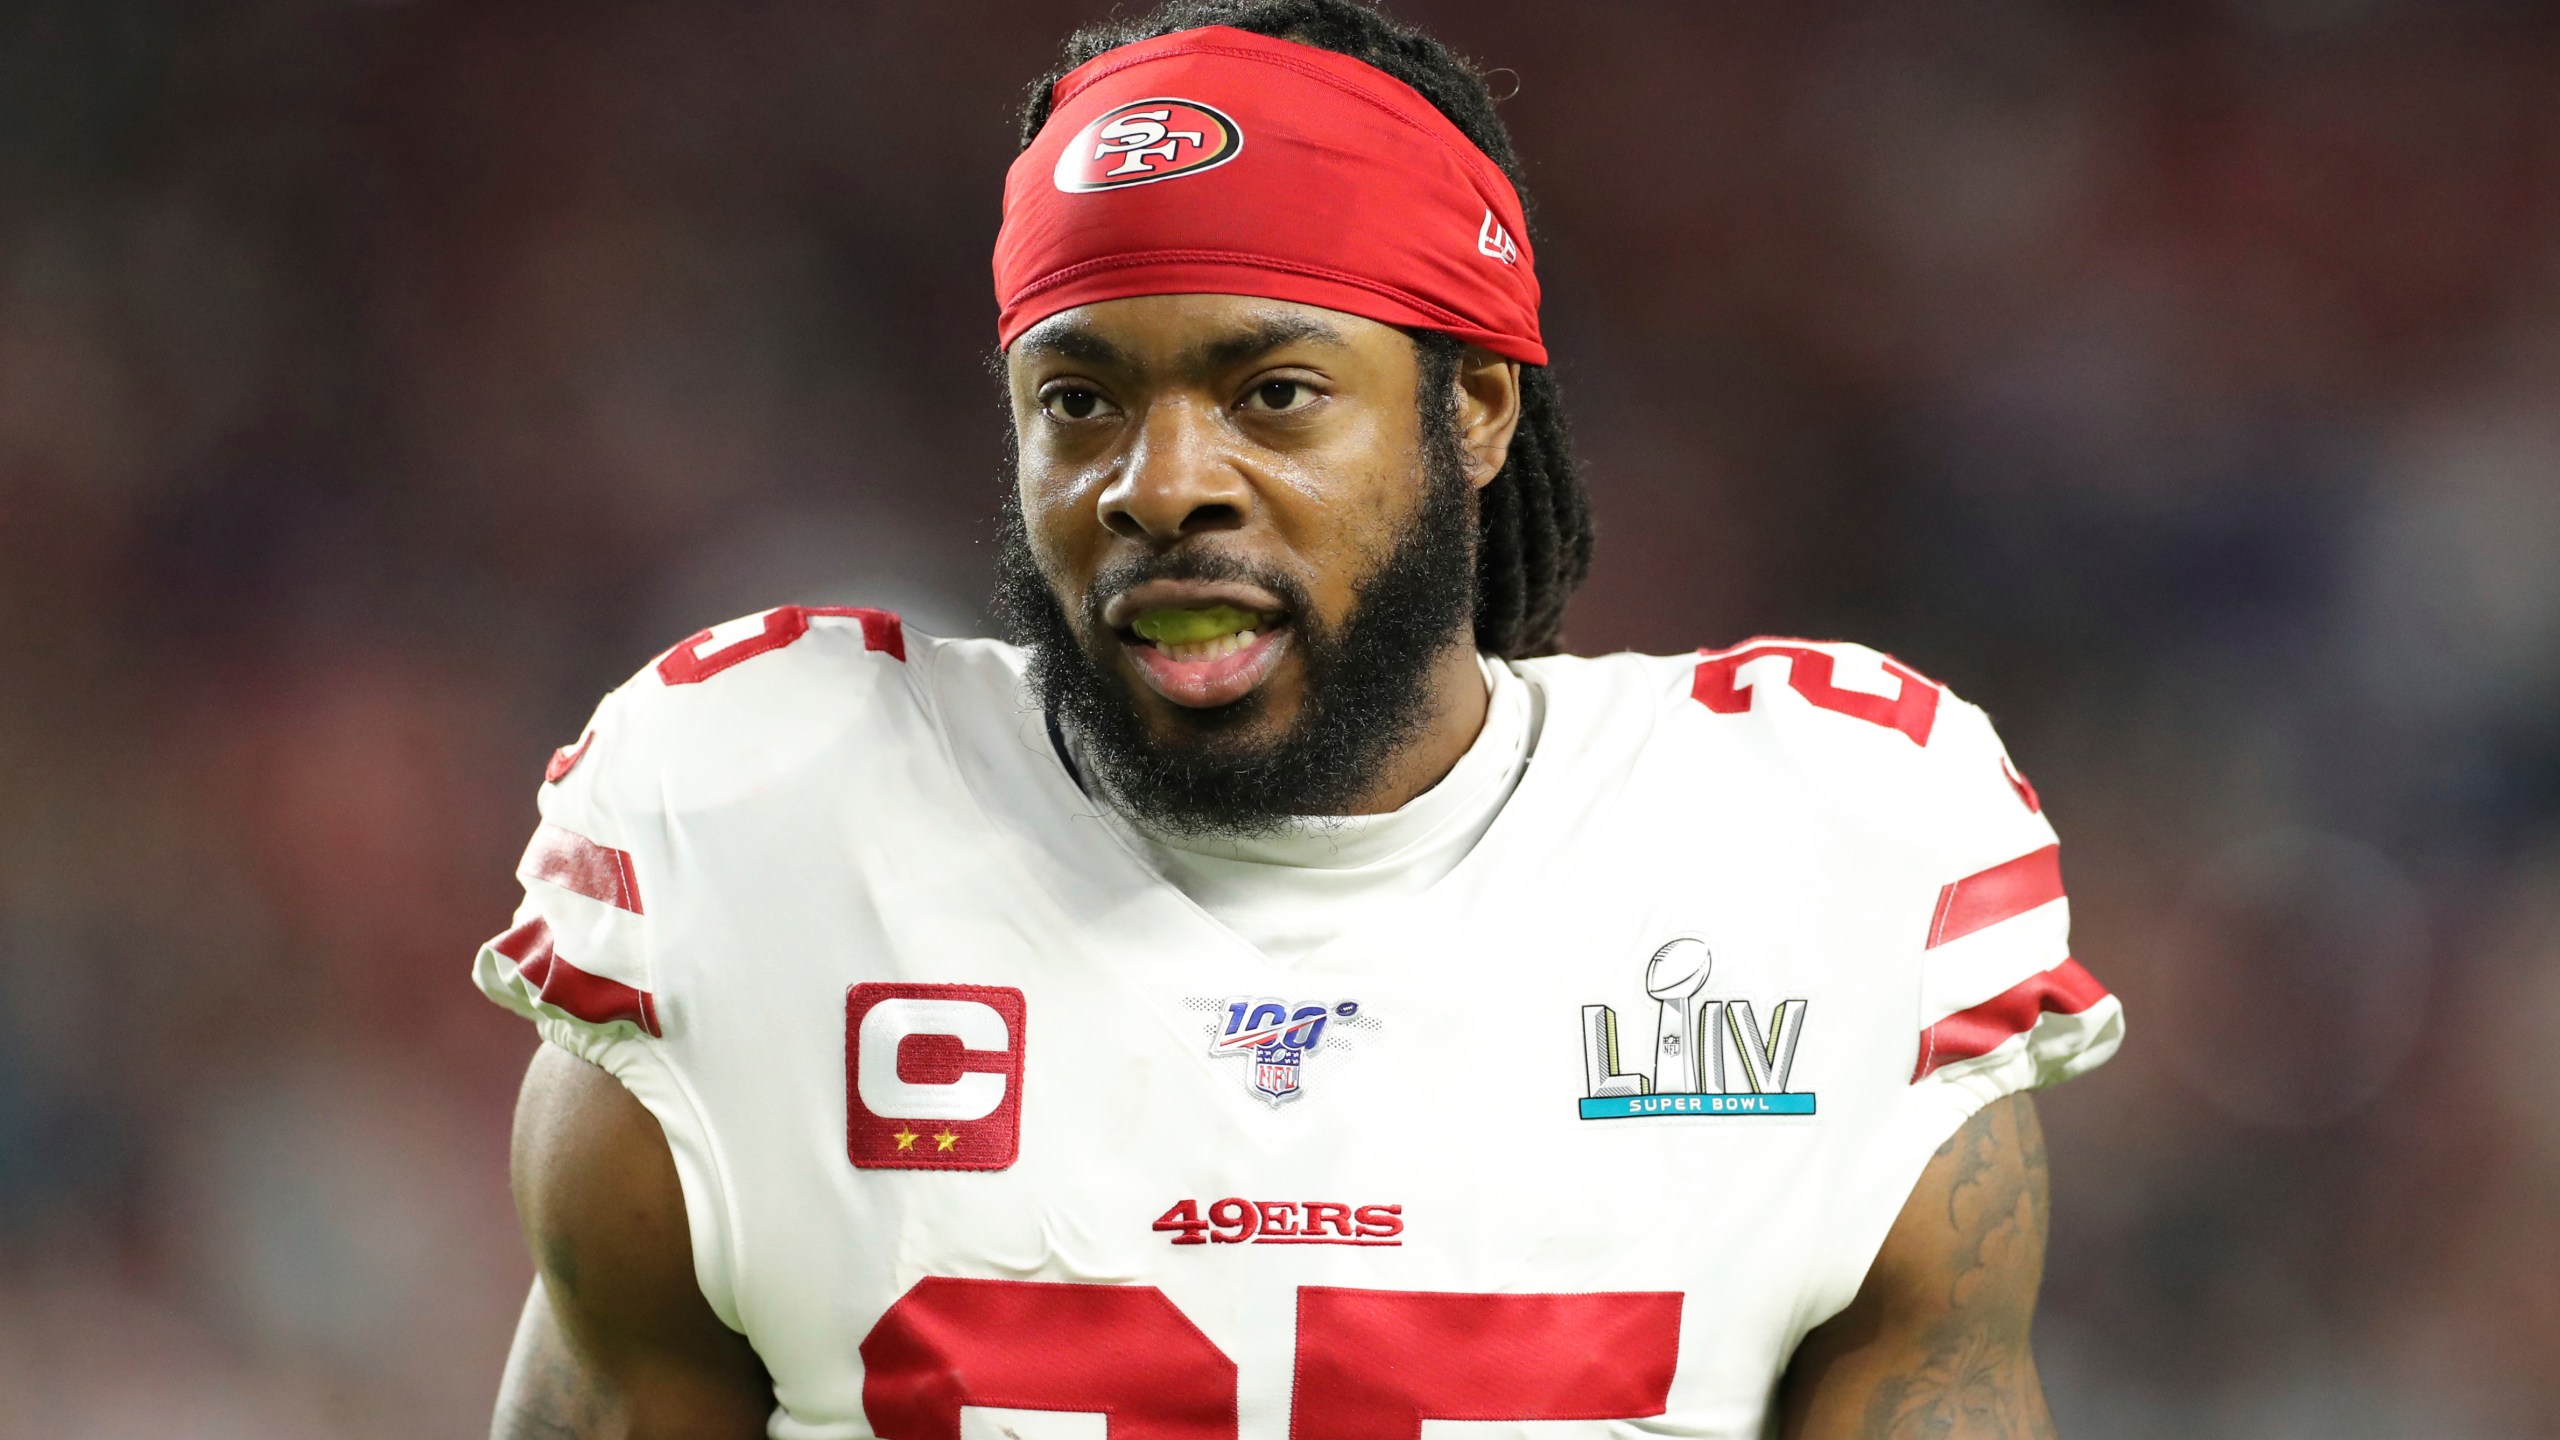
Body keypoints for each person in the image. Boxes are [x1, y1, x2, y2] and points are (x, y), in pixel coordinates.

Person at [476, 3, 2127, 1437]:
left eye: (1271, 394)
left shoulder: (1824, 855)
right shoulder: (756, 834)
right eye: (1081, 399)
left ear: (1474, 408)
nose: (1163, 484)